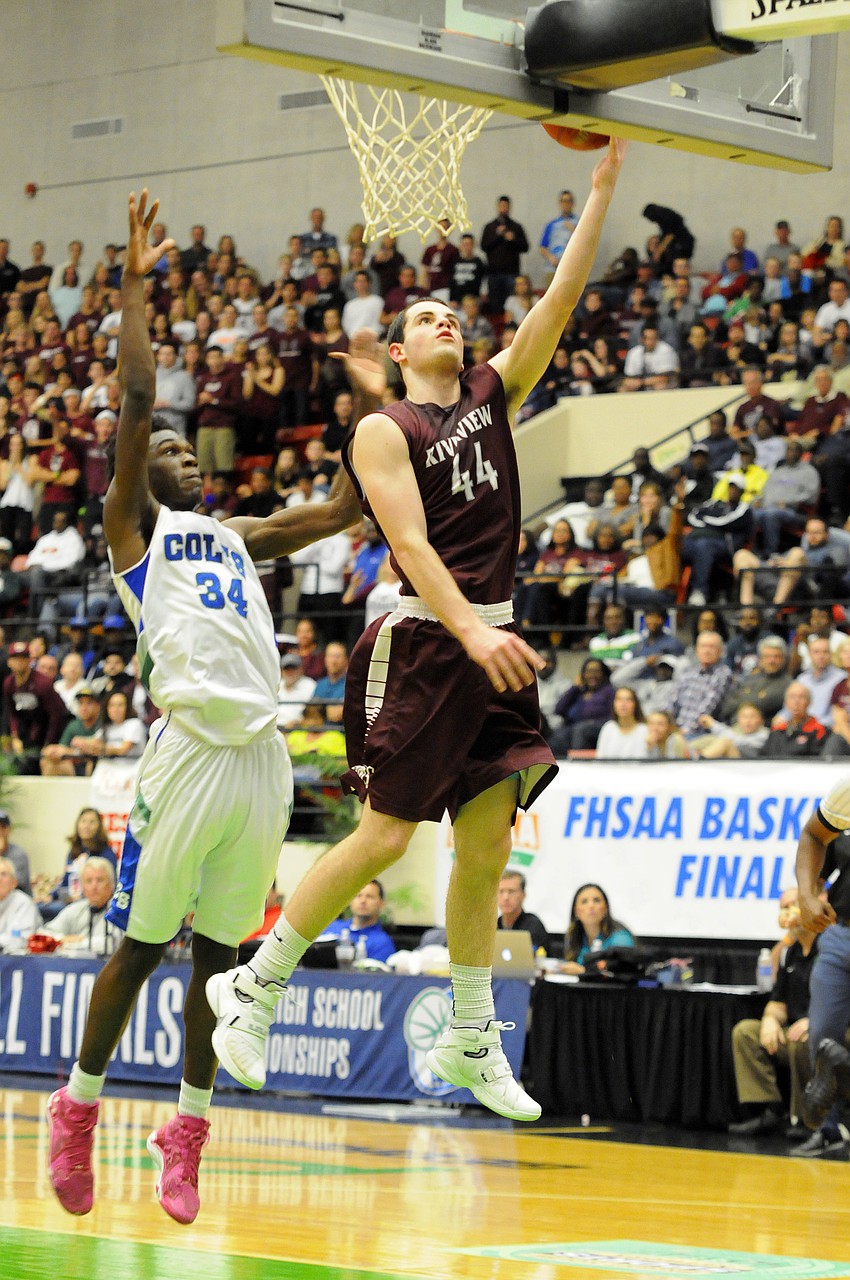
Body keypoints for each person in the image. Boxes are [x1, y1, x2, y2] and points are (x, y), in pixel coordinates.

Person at [206, 142, 627, 1123]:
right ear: (399, 351)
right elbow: (408, 543)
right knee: (388, 834)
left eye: (453, 312)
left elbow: (556, 303)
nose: (448, 317)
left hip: (496, 642)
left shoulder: (488, 395)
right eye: (426, 317)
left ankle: (472, 1037)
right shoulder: (386, 429)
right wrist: (474, 634)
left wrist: (601, 190)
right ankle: (254, 987)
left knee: (485, 851)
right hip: (429, 642)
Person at [45, 189, 362, 1226]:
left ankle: (185, 1131)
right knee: (142, 944)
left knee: (220, 960)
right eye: (166, 452)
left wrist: (379, 410)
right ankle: (78, 1107)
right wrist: (139, 284)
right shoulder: (133, 532)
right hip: (186, 750)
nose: (178, 453)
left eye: (190, 451)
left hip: (261, 755)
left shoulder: (231, 536)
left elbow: (333, 512)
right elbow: (138, 401)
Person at [729, 892, 818, 1139]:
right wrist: (769, 1020)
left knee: (802, 1039)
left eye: (793, 905)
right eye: (783, 907)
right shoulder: (792, 951)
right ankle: (769, 1110)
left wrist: (817, 1020)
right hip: (796, 1030)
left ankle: (808, 1119)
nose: (787, 912)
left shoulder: (832, 946)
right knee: (746, 1032)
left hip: (831, 1029)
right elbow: (778, 1002)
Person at [43, 857, 122, 957]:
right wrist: (61, 939)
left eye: (100, 880)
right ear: (82, 886)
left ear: (112, 884)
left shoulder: (120, 912)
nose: (94, 886)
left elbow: (114, 944)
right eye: (89, 881)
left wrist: (78, 942)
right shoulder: (74, 909)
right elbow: (43, 934)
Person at [561, 883, 634, 975]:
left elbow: (621, 974)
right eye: (584, 902)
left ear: (606, 908)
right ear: (576, 912)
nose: (591, 906)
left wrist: (584, 972)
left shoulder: (620, 937)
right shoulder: (573, 936)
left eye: (597, 900)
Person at [319, 879, 395, 962]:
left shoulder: (382, 943)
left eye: (369, 896)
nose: (363, 901)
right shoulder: (331, 928)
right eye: (358, 895)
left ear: (381, 903)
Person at [496, 870, 548, 954]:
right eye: (501, 891)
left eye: (511, 891)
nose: (505, 897)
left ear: (523, 895)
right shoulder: (494, 925)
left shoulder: (533, 925)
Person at [595, 686, 649, 760]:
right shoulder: (608, 728)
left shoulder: (644, 730)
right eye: (619, 699)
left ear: (635, 704)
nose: (623, 704)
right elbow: (600, 758)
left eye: (628, 700)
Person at [0, 857, 42, 951]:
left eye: (4, 874)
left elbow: (20, 940)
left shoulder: (23, 903)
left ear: (14, 883)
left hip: (20, 961)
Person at [0, 811, 32, 897]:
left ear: (9, 830)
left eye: (3, 827)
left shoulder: (18, 854)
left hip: (16, 903)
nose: (0, 831)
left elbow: (8, 886)